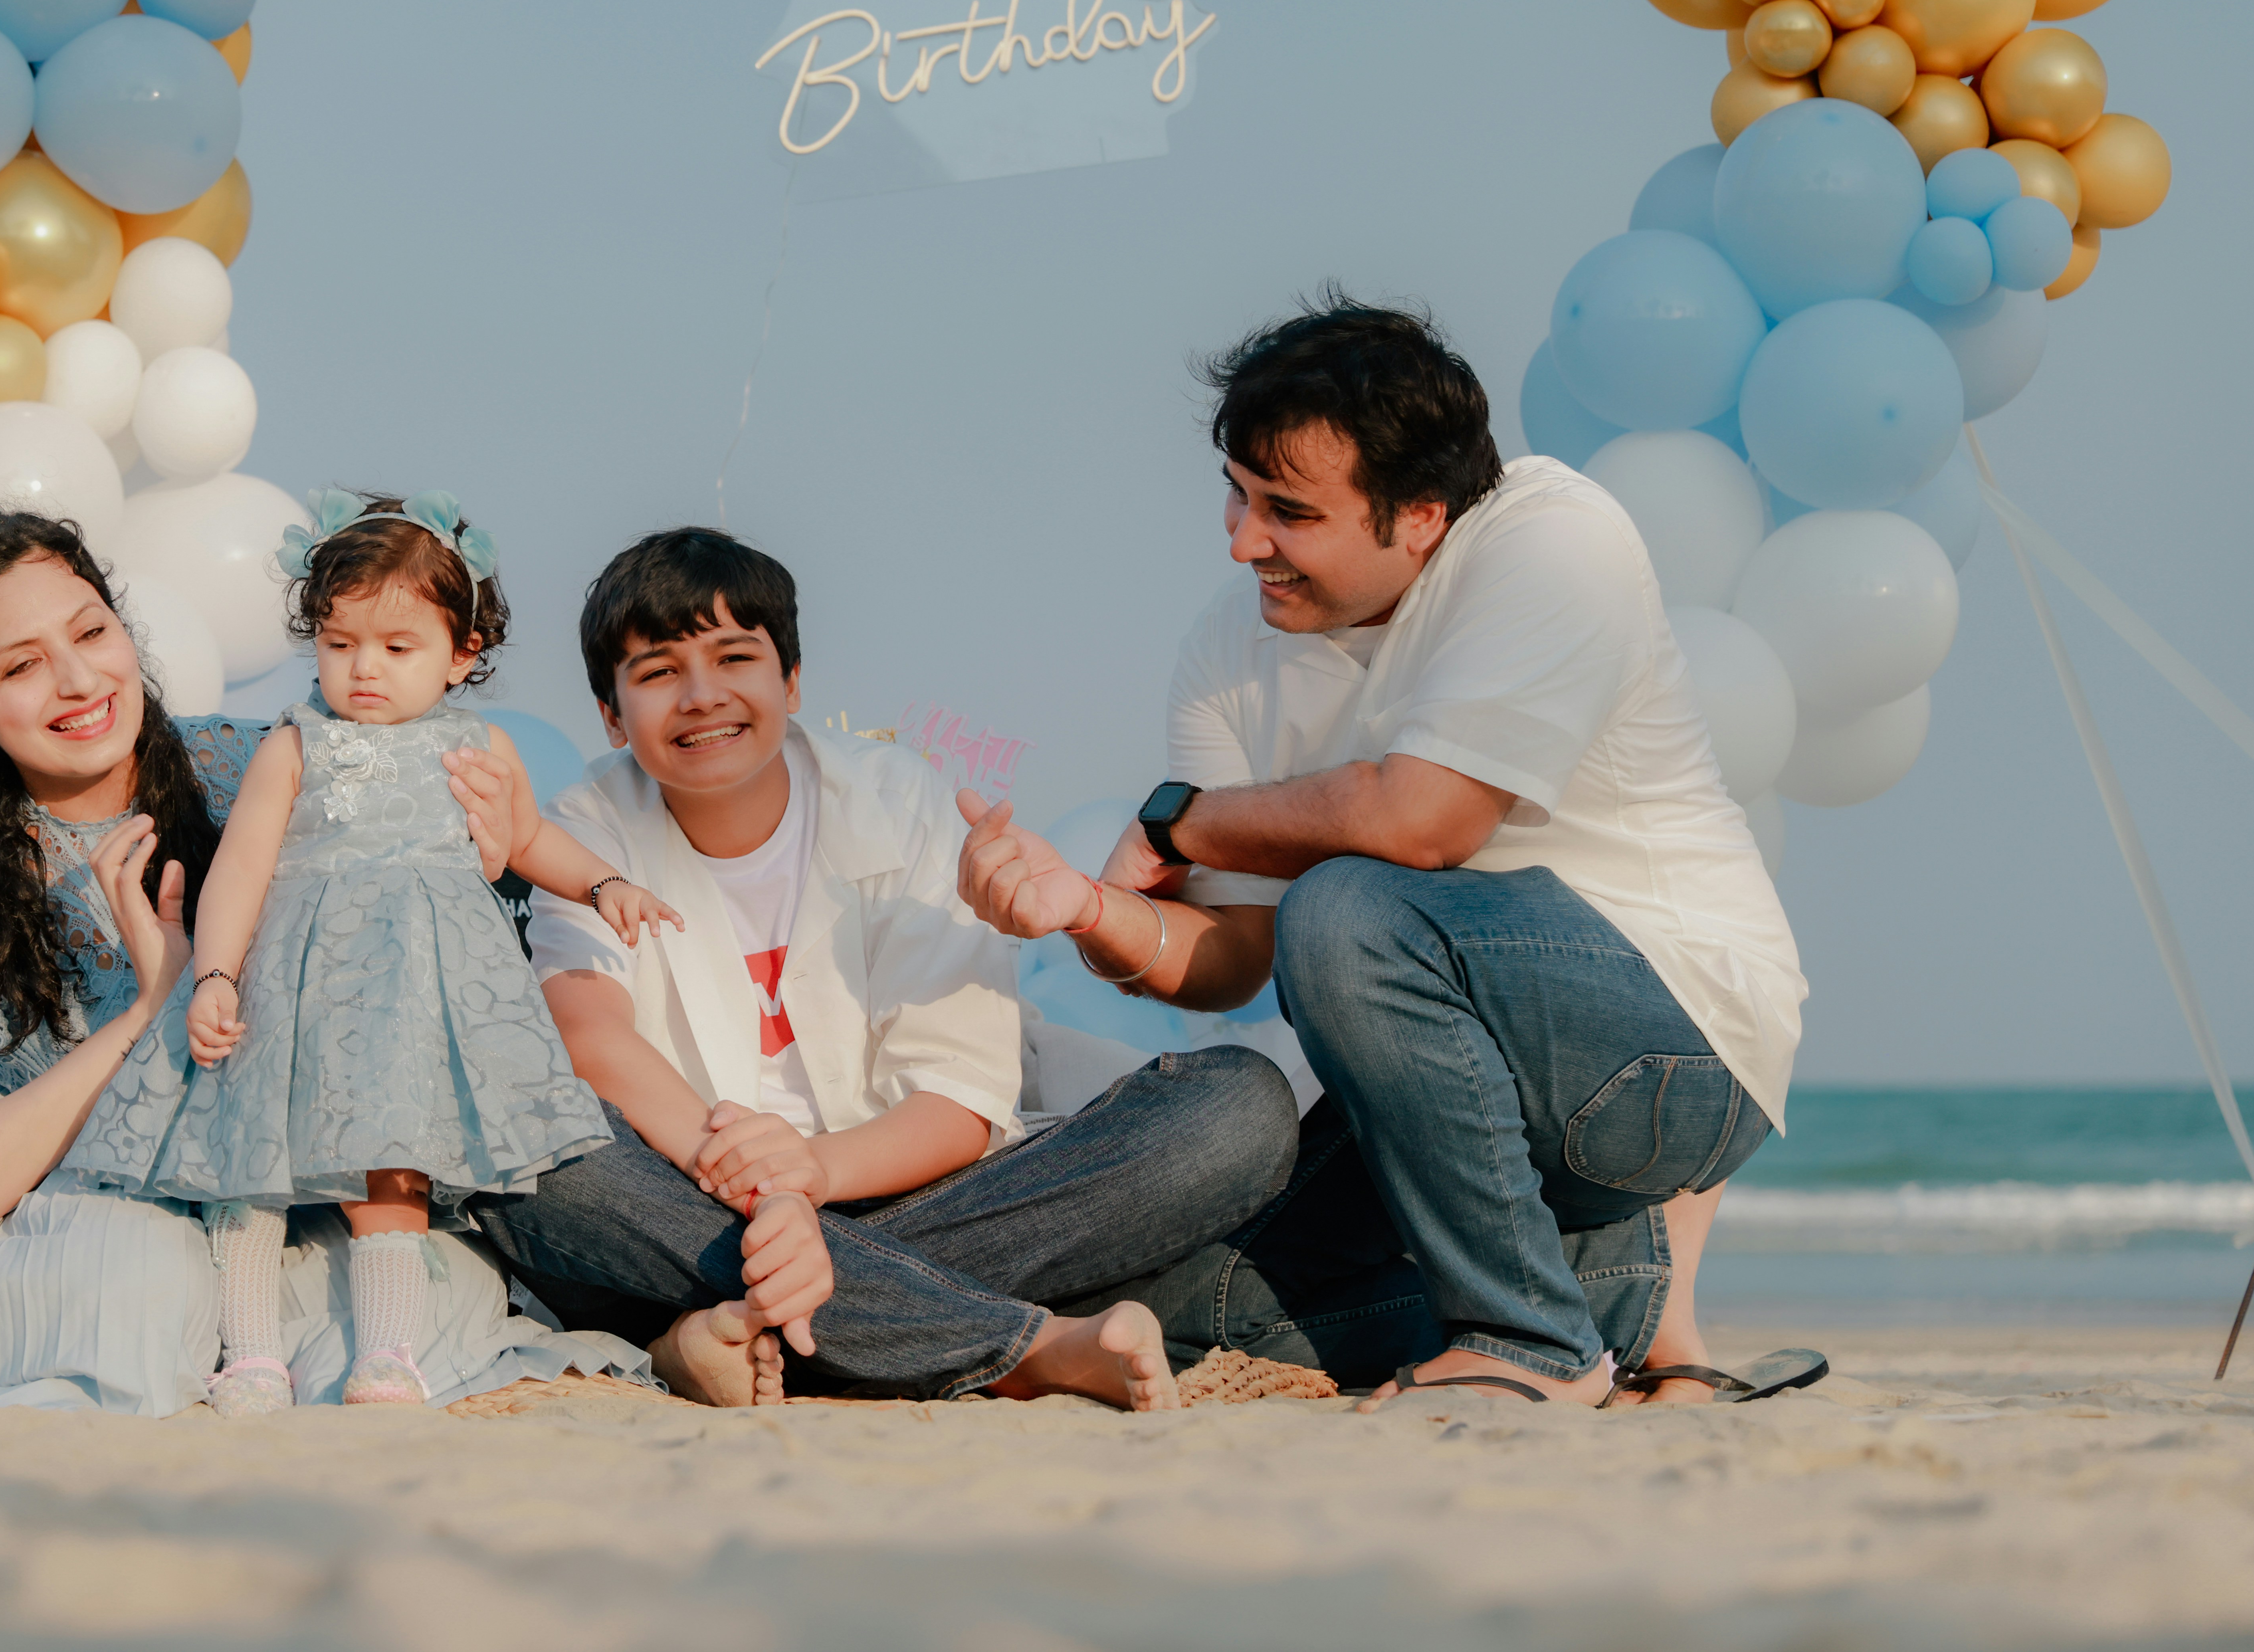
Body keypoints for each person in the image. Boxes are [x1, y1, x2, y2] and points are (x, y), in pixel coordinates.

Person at [956, 295, 1812, 1407]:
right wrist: (1085, 910)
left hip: (1669, 1055)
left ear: (1420, 516)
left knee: (1346, 906)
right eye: (1237, 492)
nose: (1243, 540)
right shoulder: (1228, 647)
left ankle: (1527, 1339)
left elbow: (1423, 822)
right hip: (1445, 1079)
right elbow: (1236, 956)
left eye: (1289, 511)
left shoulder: (1553, 539)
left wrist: (1183, 820)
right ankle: (1613, 1298)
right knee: (1194, 1306)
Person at [0, 509, 638, 1410]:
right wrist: (154, 1005)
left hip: (273, 1187)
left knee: (423, 1299)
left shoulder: (257, 764)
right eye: (22, 665)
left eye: (91, 634)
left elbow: (431, 805)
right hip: (89, 1223)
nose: (77, 682)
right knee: (148, 1284)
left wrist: (495, 837)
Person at [465, 528, 1303, 1410]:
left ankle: (719, 1339)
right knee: (515, 1138)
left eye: (734, 658)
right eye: (659, 671)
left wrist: (810, 1177)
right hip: (688, 1204)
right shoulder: (584, 829)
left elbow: (960, 1099)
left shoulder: (897, 796)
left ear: (791, 680)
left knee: (1236, 1110)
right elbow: (591, 1037)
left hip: (903, 1195)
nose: (702, 695)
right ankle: (1024, 1347)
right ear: (611, 715)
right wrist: (761, 1194)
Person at [63, 489, 648, 1412]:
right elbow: (242, 868)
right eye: (340, 645)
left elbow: (531, 840)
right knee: (248, 1163)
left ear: (463, 655)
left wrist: (605, 884)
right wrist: (215, 974)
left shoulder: (479, 745)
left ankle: (387, 1352)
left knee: (393, 1168)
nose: (363, 669)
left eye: (397, 648)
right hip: (291, 989)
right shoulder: (298, 746)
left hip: (408, 999)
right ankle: (250, 1354)